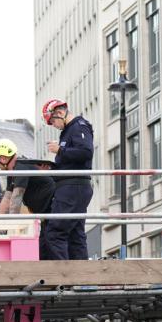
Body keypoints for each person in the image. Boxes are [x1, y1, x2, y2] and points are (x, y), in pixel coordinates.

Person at [42, 98, 94, 260]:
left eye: (53, 121)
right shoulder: (70, 130)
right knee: (75, 235)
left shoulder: (79, 127)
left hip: (73, 187)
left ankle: (63, 279)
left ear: (60, 113)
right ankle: (81, 280)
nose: (54, 126)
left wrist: (60, 150)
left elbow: (85, 152)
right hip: (73, 186)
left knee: (55, 233)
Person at [0, 139, 57, 259]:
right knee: (42, 249)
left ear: (3, 158)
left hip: (52, 209)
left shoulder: (21, 167)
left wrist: (10, 226)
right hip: (45, 212)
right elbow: (7, 198)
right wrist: (1, 224)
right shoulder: (13, 172)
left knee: (51, 244)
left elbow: (16, 199)